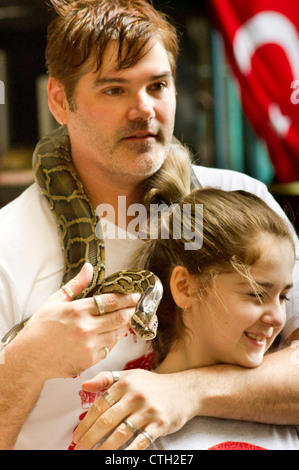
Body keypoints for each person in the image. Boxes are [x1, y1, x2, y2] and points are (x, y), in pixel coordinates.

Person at [0, 0, 298, 450]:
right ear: (60, 101)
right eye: (114, 90)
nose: (143, 109)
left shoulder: (243, 203)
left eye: (157, 85)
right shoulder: (7, 246)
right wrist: (28, 360)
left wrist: (189, 391)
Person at [72, 187, 298, 450]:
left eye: (283, 297)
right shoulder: (126, 430)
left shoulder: (287, 410)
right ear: (185, 287)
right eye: (256, 294)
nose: (278, 318)